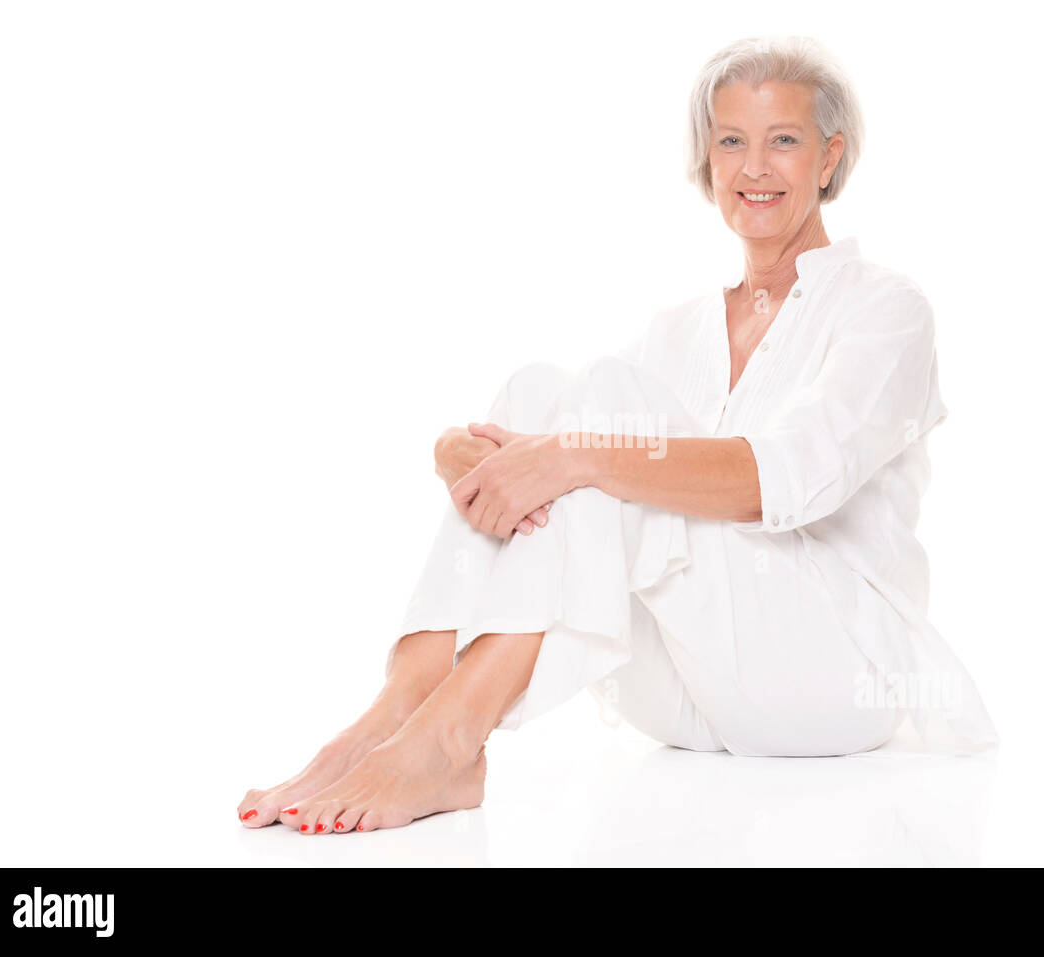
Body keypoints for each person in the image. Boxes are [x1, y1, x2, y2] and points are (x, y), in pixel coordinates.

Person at [238, 35, 998, 835]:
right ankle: (395, 710)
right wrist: (454, 453)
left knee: (598, 424)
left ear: (829, 158)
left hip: (827, 680)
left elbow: (785, 478)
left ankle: (451, 736)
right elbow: (559, 439)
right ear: (708, 161)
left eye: (784, 141)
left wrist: (576, 456)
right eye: (732, 141)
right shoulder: (679, 330)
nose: (755, 167)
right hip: (684, 695)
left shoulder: (886, 309)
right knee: (542, 390)